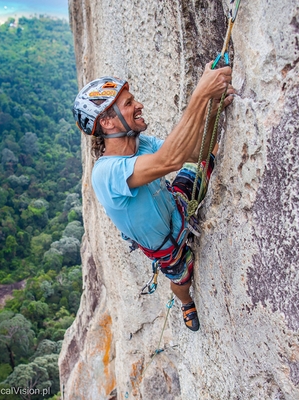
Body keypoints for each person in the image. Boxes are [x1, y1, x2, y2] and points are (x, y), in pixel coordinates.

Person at [72, 63, 235, 331]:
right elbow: (169, 160)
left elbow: (193, 155)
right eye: (128, 103)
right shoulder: (106, 174)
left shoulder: (141, 143)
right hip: (165, 245)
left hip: (177, 206)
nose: (139, 105)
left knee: (209, 157)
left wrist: (211, 113)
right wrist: (200, 96)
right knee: (182, 278)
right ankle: (185, 303)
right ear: (108, 122)